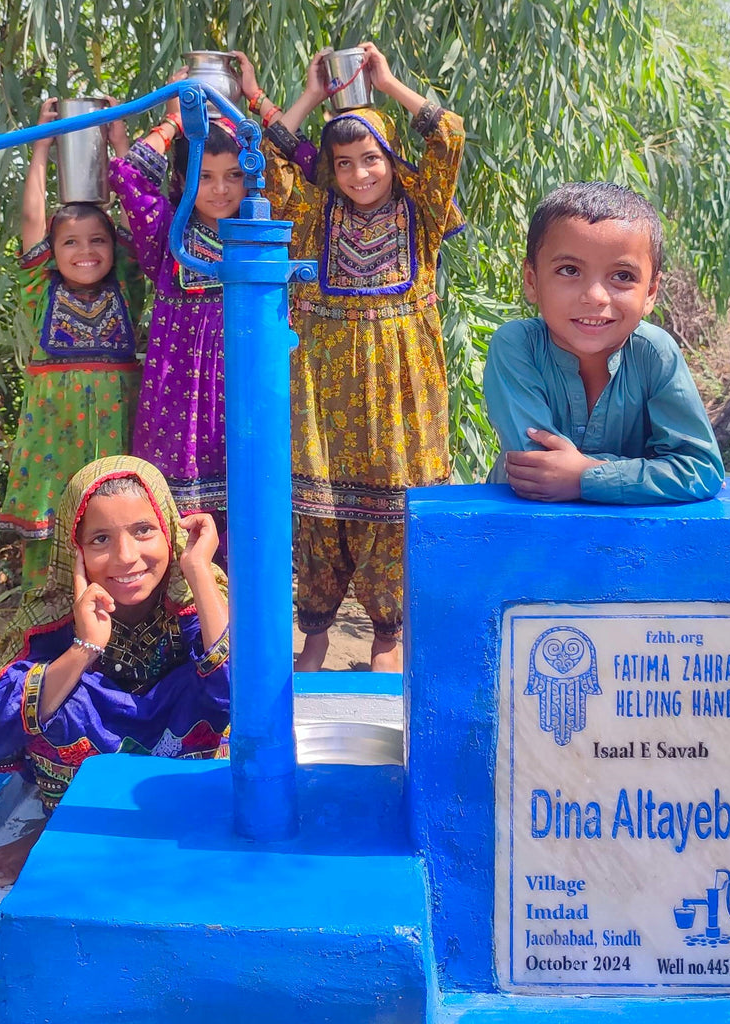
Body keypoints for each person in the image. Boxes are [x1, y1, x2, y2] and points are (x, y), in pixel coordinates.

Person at [249, 42, 465, 672]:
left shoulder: (421, 214)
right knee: (319, 519)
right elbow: (268, 157)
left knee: (395, 520)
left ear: (392, 159)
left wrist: (388, 82)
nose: (359, 174)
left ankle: (387, 643)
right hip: (324, 402)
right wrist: (312, 94)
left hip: (403, 403)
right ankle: (313, 641)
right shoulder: (315, 219)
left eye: (371, 159)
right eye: (344, 163)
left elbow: (447, 135)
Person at [0, 455, 230, 887]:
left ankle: (179, 821)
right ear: (72, 550)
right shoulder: (50, 613)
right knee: (60, 695)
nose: (126, 558)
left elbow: (243, 694)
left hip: (180, 752)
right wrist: (84, 647)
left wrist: (198, 570)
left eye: (144, 531)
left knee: (208, 678)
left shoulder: (196, 595)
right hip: (86, 775)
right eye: (100, 540)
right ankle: (57, 827)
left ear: (170, 529)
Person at [482, 181, 724, 504]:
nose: (595, 297)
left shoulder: (655, 355)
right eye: (569, 270)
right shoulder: (516, 347)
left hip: (627, 545)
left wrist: (586, 475)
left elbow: (701, 468)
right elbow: (538, 468)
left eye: (622, 276)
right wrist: (650, 473)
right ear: (531, 281)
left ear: (651, 292)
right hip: (524, 536)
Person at [0, 98, 146, 589]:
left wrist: (118, 140)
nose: (85, 252)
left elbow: (135, 213)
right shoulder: (43, 286)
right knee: (55, 525)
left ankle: (119, 621)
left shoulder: (126, 280)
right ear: (52, 252)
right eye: (70, 243)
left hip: (115, 422)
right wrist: (40, 148)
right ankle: (50, 623)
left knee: (118, 516)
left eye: (97, 241)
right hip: (53, 431)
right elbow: (32, 217)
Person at [108, 68, 249, 564]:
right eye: (204, 176)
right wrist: (173, 119)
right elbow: (126, 174)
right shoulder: (169, 234)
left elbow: (300, 169)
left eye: (233, 176)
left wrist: (252, 99)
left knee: (244, 513)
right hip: (178, 398)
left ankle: (235, 630)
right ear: (183, 179)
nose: (219, 189)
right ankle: (182, 623)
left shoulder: (261, 233)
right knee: (176, 519)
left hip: (242, 390)